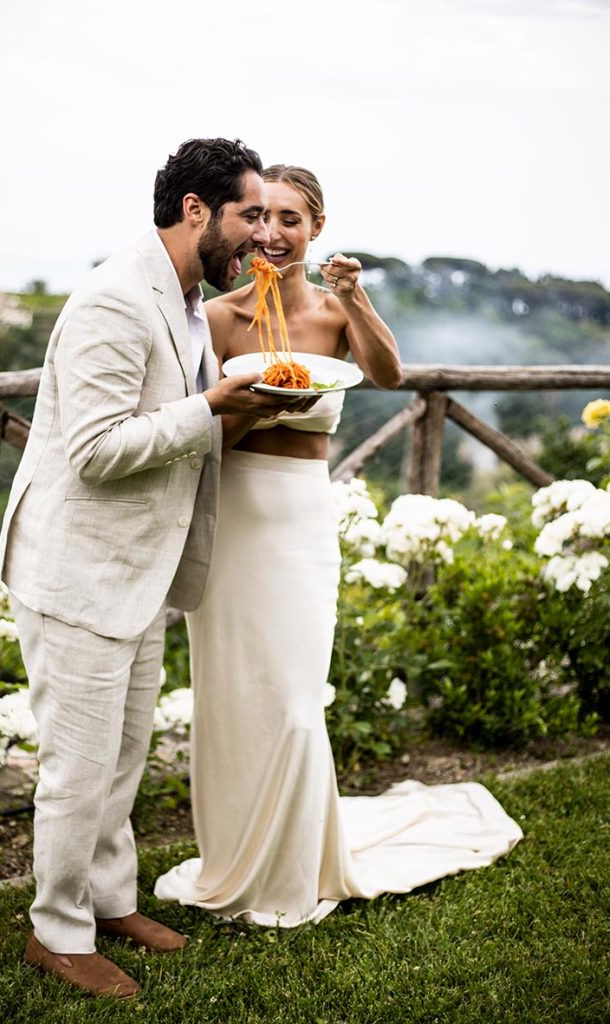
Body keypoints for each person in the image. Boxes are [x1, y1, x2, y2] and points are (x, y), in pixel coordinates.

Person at [155, 164, 523, 927]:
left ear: (316, 228)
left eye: (290, 219)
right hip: (229, 519)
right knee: (234, 697)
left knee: (294, 701)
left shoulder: (332, 313)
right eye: (260, 218)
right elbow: (200, 432)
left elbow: (387, 375)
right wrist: (256, 409)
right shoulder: (216, 318)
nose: (272, 234)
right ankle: (235, 859)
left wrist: (356, 296)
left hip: (299, 523)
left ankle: (297, 865)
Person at [0, 139, 309, 998]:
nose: (262, 235)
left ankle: (108, 901)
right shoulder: (113, 299)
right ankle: (56, 933)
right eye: (249, 214)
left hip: (137, 569)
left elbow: (179, 424)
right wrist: (210, 407)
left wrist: (245, 411)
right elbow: (97, 451)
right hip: (79, 573)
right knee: (77, 769)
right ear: (196, 210)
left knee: (124, 754)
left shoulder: (186, 294)